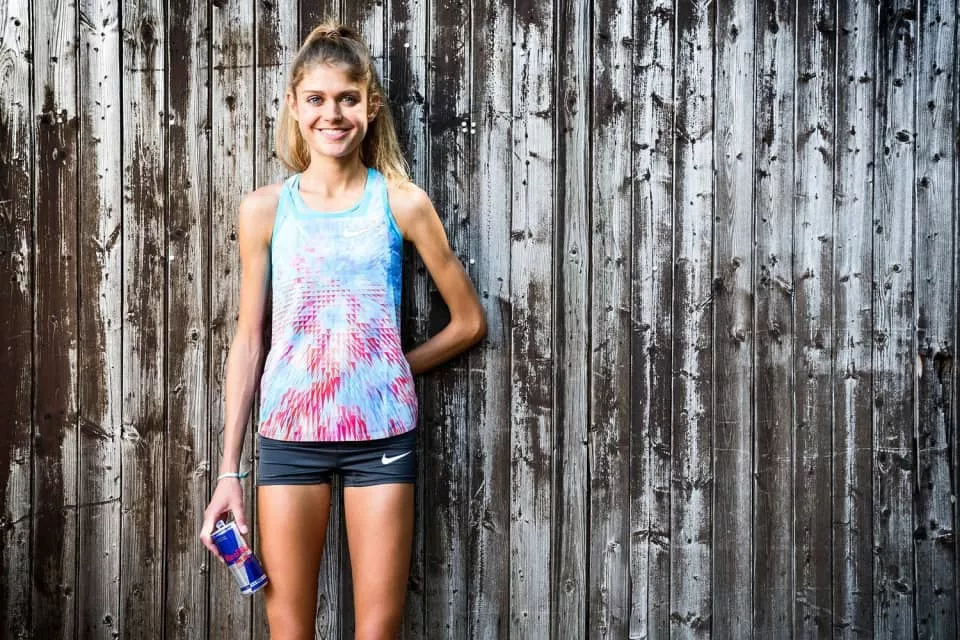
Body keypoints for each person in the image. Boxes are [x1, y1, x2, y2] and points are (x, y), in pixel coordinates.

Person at [199, 20, 486, 639]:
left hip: (381, 437)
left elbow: (468, 322)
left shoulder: (402, 203)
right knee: (289, 631)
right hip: (290, 437)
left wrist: (391, 365)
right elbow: (249, 340)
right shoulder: (265, 210)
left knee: (377, 632)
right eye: (317, 99)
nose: (333, 114)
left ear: (371, 106)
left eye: (348, 98)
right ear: (294, 105)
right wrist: (228, 470)